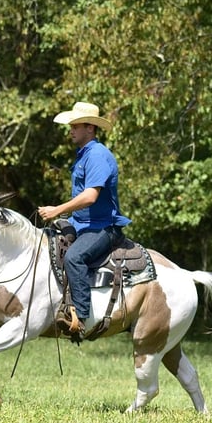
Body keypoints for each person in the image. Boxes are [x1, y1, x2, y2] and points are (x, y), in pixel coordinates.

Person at [38, 101, 131, 341]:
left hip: (103, 228)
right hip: (82, 224)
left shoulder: (98, 155)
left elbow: (90, 196)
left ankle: (79, 317)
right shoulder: (84, 155)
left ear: (90, 128)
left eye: (76, 125)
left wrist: (57, 210)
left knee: (74, 257)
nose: (71, 129)